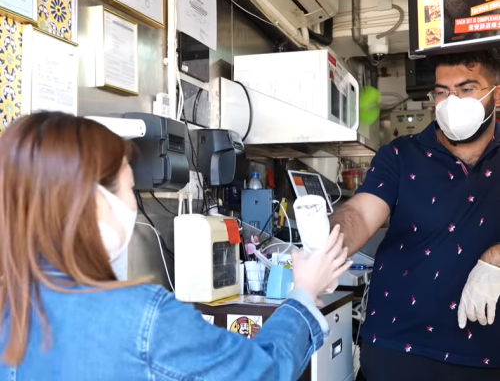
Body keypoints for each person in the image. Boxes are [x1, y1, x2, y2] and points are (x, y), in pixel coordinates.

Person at [0, 112, 352, 381]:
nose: (132, 203)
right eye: (129, 187)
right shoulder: (144, 318)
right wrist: (304, 293)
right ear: (95, 203)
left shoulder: (10, 305)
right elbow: (263, 373)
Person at [330, 49, 500, 381]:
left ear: (496, 95)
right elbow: (362, 213)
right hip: (397, 346)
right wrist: (329, 242)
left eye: (466, 89)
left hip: (487, 354)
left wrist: (496, 257)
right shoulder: (400, 154)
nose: (452, 102)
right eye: (442, 92)